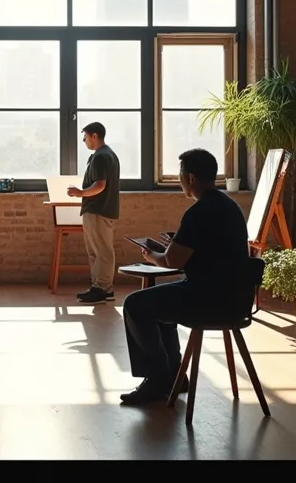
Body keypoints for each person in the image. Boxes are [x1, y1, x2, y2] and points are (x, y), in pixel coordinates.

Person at [119, 148, 255, 405]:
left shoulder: (198, 212)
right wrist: (176, 244)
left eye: (181, 174)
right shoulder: (228, 205)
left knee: (136, 305)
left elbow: (173, 261)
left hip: (207, 299)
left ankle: (158, 379)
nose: (179, 179)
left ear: (191, 178)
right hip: (236, 299)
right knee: (160, 303)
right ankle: (174, 377)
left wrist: (152, 256)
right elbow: (211, 249)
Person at [68, 121, 121, 304]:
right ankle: (99, 287)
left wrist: (80, 193)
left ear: (94, 136)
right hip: (100, 210)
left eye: (85, 137)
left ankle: (103, 289)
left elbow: (100, 185)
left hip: (99, 210)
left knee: (102, 251)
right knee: (97, 251)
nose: (84, 141)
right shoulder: (108, 155)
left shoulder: (100, 157)